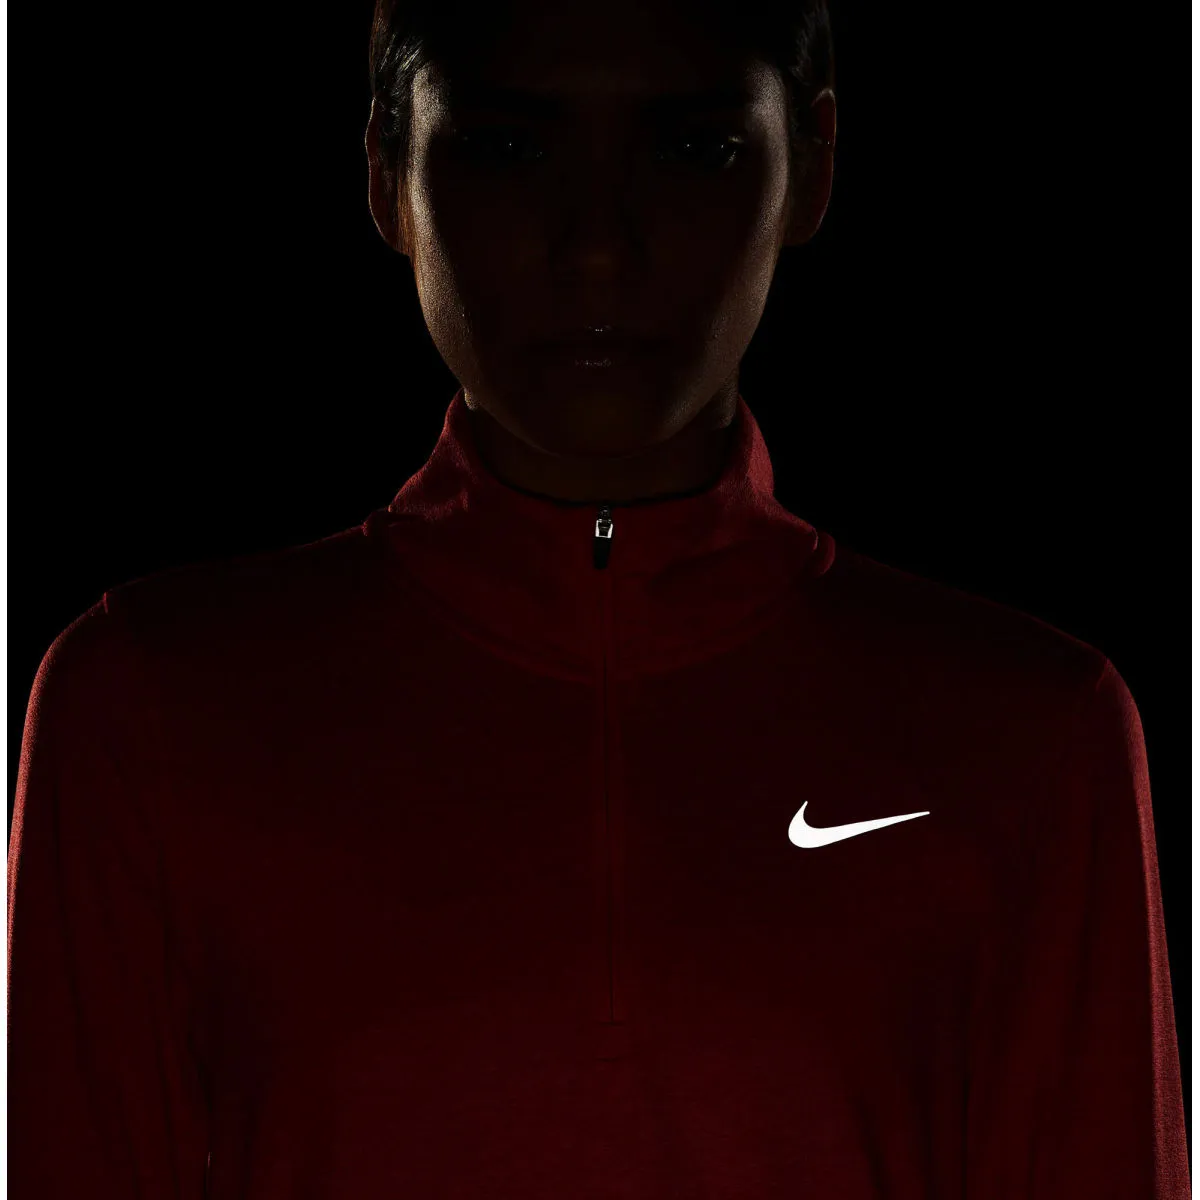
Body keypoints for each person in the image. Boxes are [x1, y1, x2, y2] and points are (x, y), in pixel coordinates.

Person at [8, 0, 1188, 1196]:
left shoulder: (1032, 734)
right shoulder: (149, 707)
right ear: (385, 172)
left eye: (695, 149)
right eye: (506, 147)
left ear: (813, 166)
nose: (598, 249)